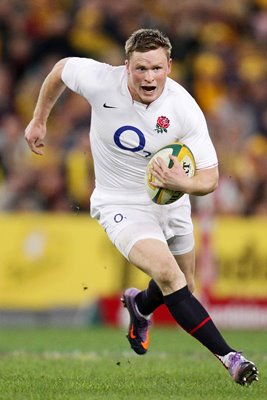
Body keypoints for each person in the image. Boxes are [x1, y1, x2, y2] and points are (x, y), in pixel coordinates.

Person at [25, 28, 258, 386]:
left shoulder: (183, 107)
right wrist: (39, 118)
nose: (149, 78)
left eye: (156, 68)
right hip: (120, 202)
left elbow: (210, 178)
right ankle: (231, 357)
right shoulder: (102, 81)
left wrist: (179, 184)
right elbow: (60, 69)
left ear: (169, 66)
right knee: (168, 275)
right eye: (140, 69)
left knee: (186, 285)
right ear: (126, 66)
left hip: (171, 200)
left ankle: (141, 306)